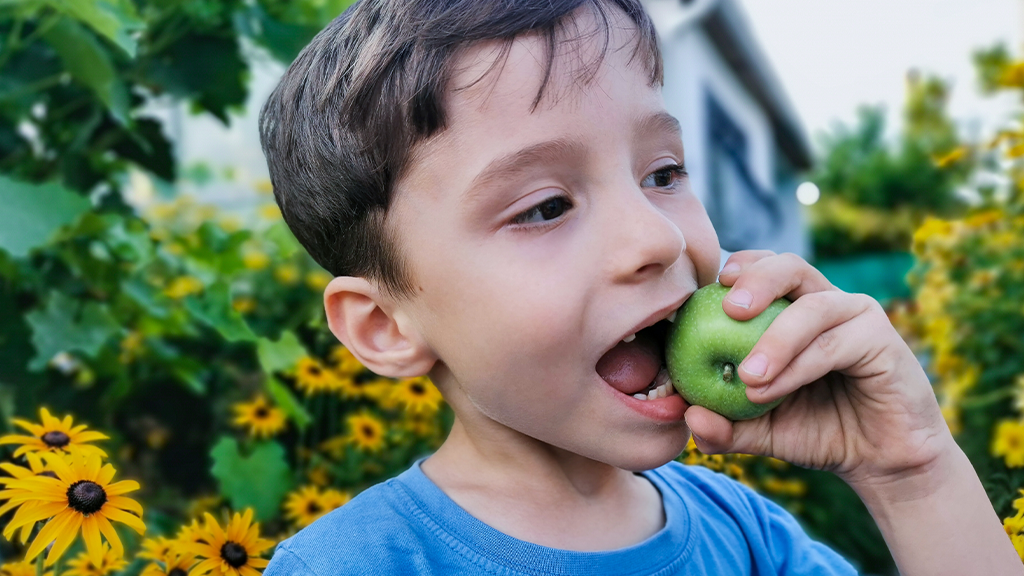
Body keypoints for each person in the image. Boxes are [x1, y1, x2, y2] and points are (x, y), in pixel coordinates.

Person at [257, 1, 1020, 574]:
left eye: (664, 173)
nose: (657, 237)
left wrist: (912, 475)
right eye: (545, 208)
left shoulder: (751, 541)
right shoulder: (351, 565)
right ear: (384, 326)